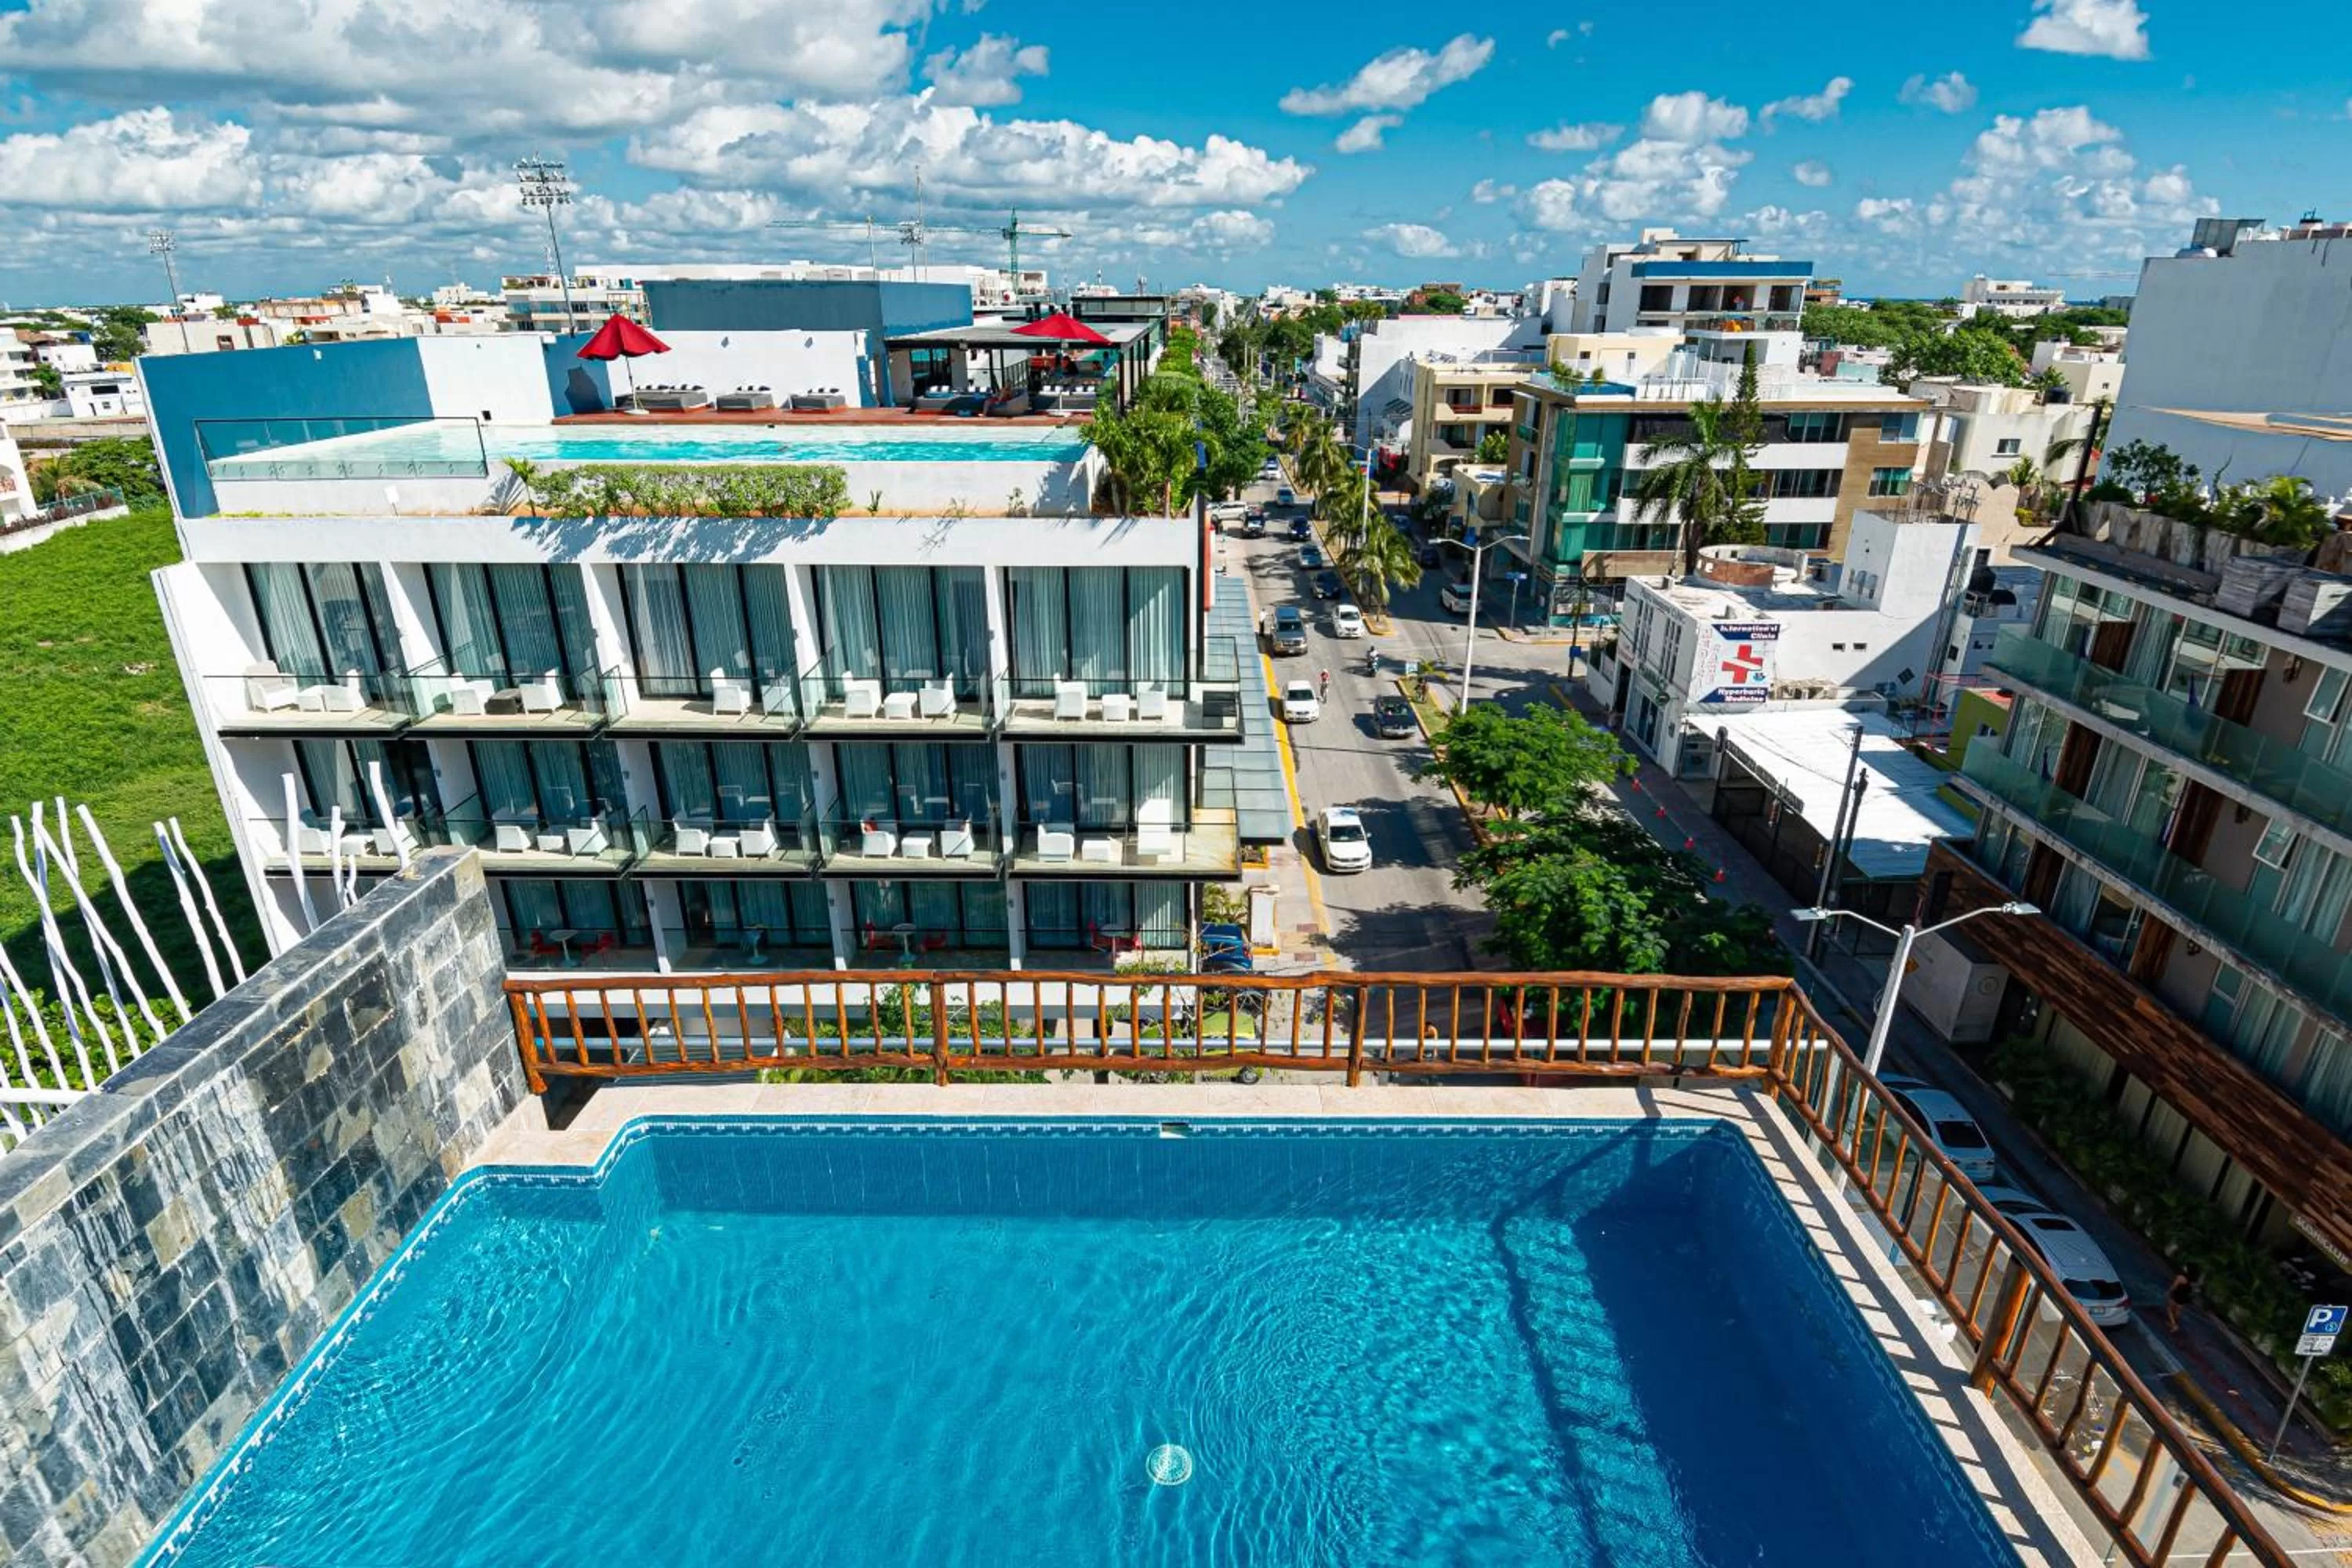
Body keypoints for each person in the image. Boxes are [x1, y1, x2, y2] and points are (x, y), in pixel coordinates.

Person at [2165, 1267, 2197, 1332]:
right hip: (2183, 1300)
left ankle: (2174, 1325)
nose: (2184, 1268)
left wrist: (2168, 1292)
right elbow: (2191, 1292)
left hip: (2176, 1296)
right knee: (2177, 1313)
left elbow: (2174, 1287)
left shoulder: (2180, 1277)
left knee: (2169, 1309)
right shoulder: (2192, 1282)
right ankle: (2173, 1323)